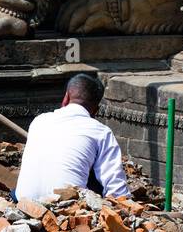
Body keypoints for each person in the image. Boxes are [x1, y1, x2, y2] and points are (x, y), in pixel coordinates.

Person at [15, 73, 131, 202]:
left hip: (23, 202)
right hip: (66, 206)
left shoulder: (39, 120)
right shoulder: (100, 132)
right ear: (95, 111)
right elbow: (117, 190)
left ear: (66, 97)